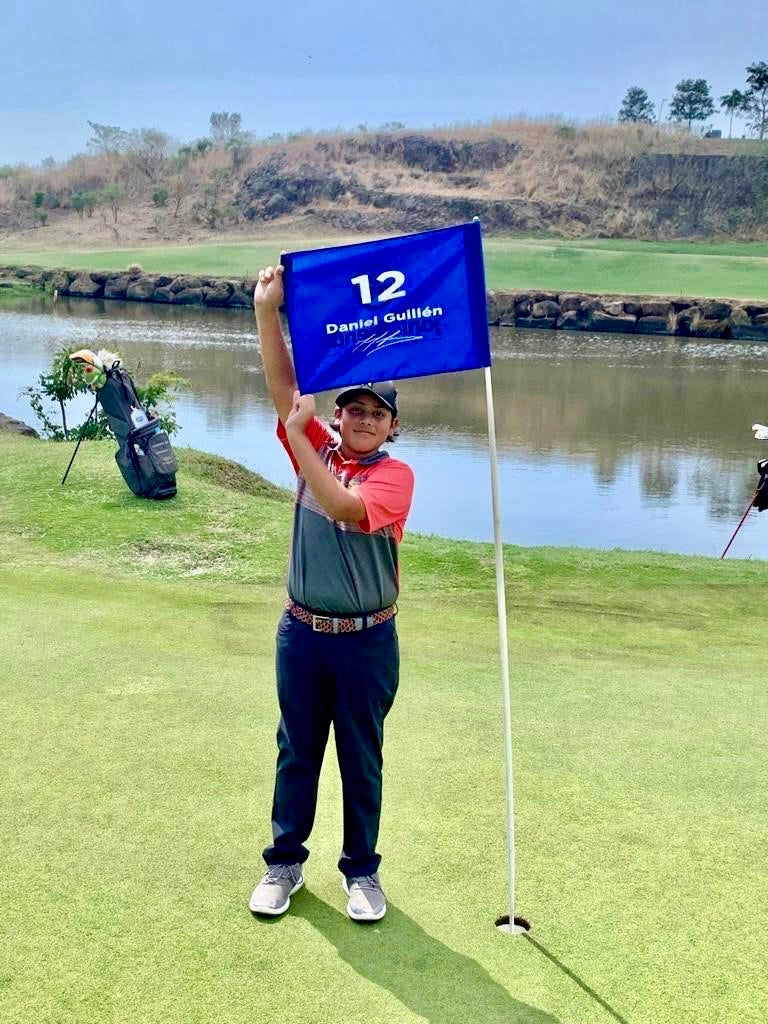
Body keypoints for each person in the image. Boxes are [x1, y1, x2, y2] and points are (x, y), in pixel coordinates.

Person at [249, 263, 415, 922]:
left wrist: (299, 441)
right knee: (297, 751)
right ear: (340, 415)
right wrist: (269, 311)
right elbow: (285, 387)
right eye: (355, 409)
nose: (364, 420)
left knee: (360, 758)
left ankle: (362, 875)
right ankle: (284, 864)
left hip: (366, 640)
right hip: (302, 633)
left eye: (378, 413)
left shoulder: (395, 477)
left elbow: (346, 507)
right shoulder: (322, 445)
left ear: (392, 426)